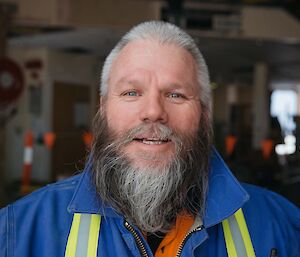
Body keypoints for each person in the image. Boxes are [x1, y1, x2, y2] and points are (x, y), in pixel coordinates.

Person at [0, 21, 299, 257]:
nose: (154, 111)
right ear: (103, 109)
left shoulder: (282, 227)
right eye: (132, 93)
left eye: (175, 94)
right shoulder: (16, 232)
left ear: (205, 114)